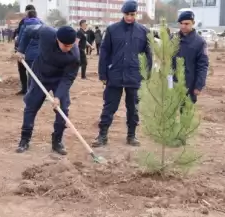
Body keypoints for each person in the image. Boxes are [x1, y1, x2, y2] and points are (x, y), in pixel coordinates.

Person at [92, 0, 152, 147]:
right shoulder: (113, 30)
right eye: (127, 14)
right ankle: (102, 135)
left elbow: (148, 55)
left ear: (136, 14)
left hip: (134, 76)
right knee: (109, 107)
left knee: (133, 108)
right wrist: (103, 74)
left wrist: (146, 74)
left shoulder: (143, 32)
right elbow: (105, 53)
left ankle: (131, 135)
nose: (130, 17)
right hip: (115, 75)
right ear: (123, 13)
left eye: (132, 14)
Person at [15, 25, 80, 155]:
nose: (68, 48)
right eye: (65, 45)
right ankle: (24, 139)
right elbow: (27, 31)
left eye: (70, 45)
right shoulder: (46, 33)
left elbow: (68, 78)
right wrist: (21, 50)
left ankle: (57, 141)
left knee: (63, 109)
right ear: (57, 39)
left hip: (59, 80)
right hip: (40, 75)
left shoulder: (75, 55)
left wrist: (58, 96)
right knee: (31, 106)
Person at [173, 10, 209, 104]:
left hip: (189, 84)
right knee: (169, 112)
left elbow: (203, 65)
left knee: (185, 114)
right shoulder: (173, 39)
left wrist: (199, 85)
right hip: (172, 83)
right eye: (181, 23)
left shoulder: (199, 42)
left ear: (193, 23)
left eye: (186, 23)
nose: (183, 26)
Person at [17, 10, 43, 87]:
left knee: (31, 73)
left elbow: (20, 40)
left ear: (27, 16)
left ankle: (30, 93)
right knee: (39, 73)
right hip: (41, 53)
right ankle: (39, 94)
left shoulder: (24, 26)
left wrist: (20, 51)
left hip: (28, 53)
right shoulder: (42, 25)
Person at [14, 4, 36, 95]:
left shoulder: (24, 22)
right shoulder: (40, 22)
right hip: (34, 51)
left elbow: (19, 37)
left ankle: (25, 89)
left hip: (23, 50)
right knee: (33, 71)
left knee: (23, 69)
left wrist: (17, 49)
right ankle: (30, 90)